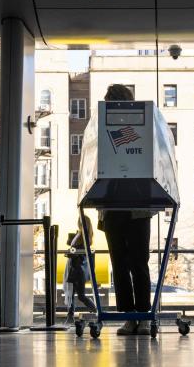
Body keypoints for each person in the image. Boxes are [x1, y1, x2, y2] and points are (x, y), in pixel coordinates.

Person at [99, 83, 153, 335]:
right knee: (127, 263)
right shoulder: (107, 131)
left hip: (128, 204)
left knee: (130, 263)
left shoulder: (141, 129)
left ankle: (138, 317)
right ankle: (136, 317)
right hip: (126, 205)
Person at [64, 214, 97, 322]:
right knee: (72, 293)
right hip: (76, 267)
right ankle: (70, 315)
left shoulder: (83, 236)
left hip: (77, 268)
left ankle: (95, 310)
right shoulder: (83, 235)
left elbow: (78, 252)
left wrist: (71, 253)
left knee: (79, 295)